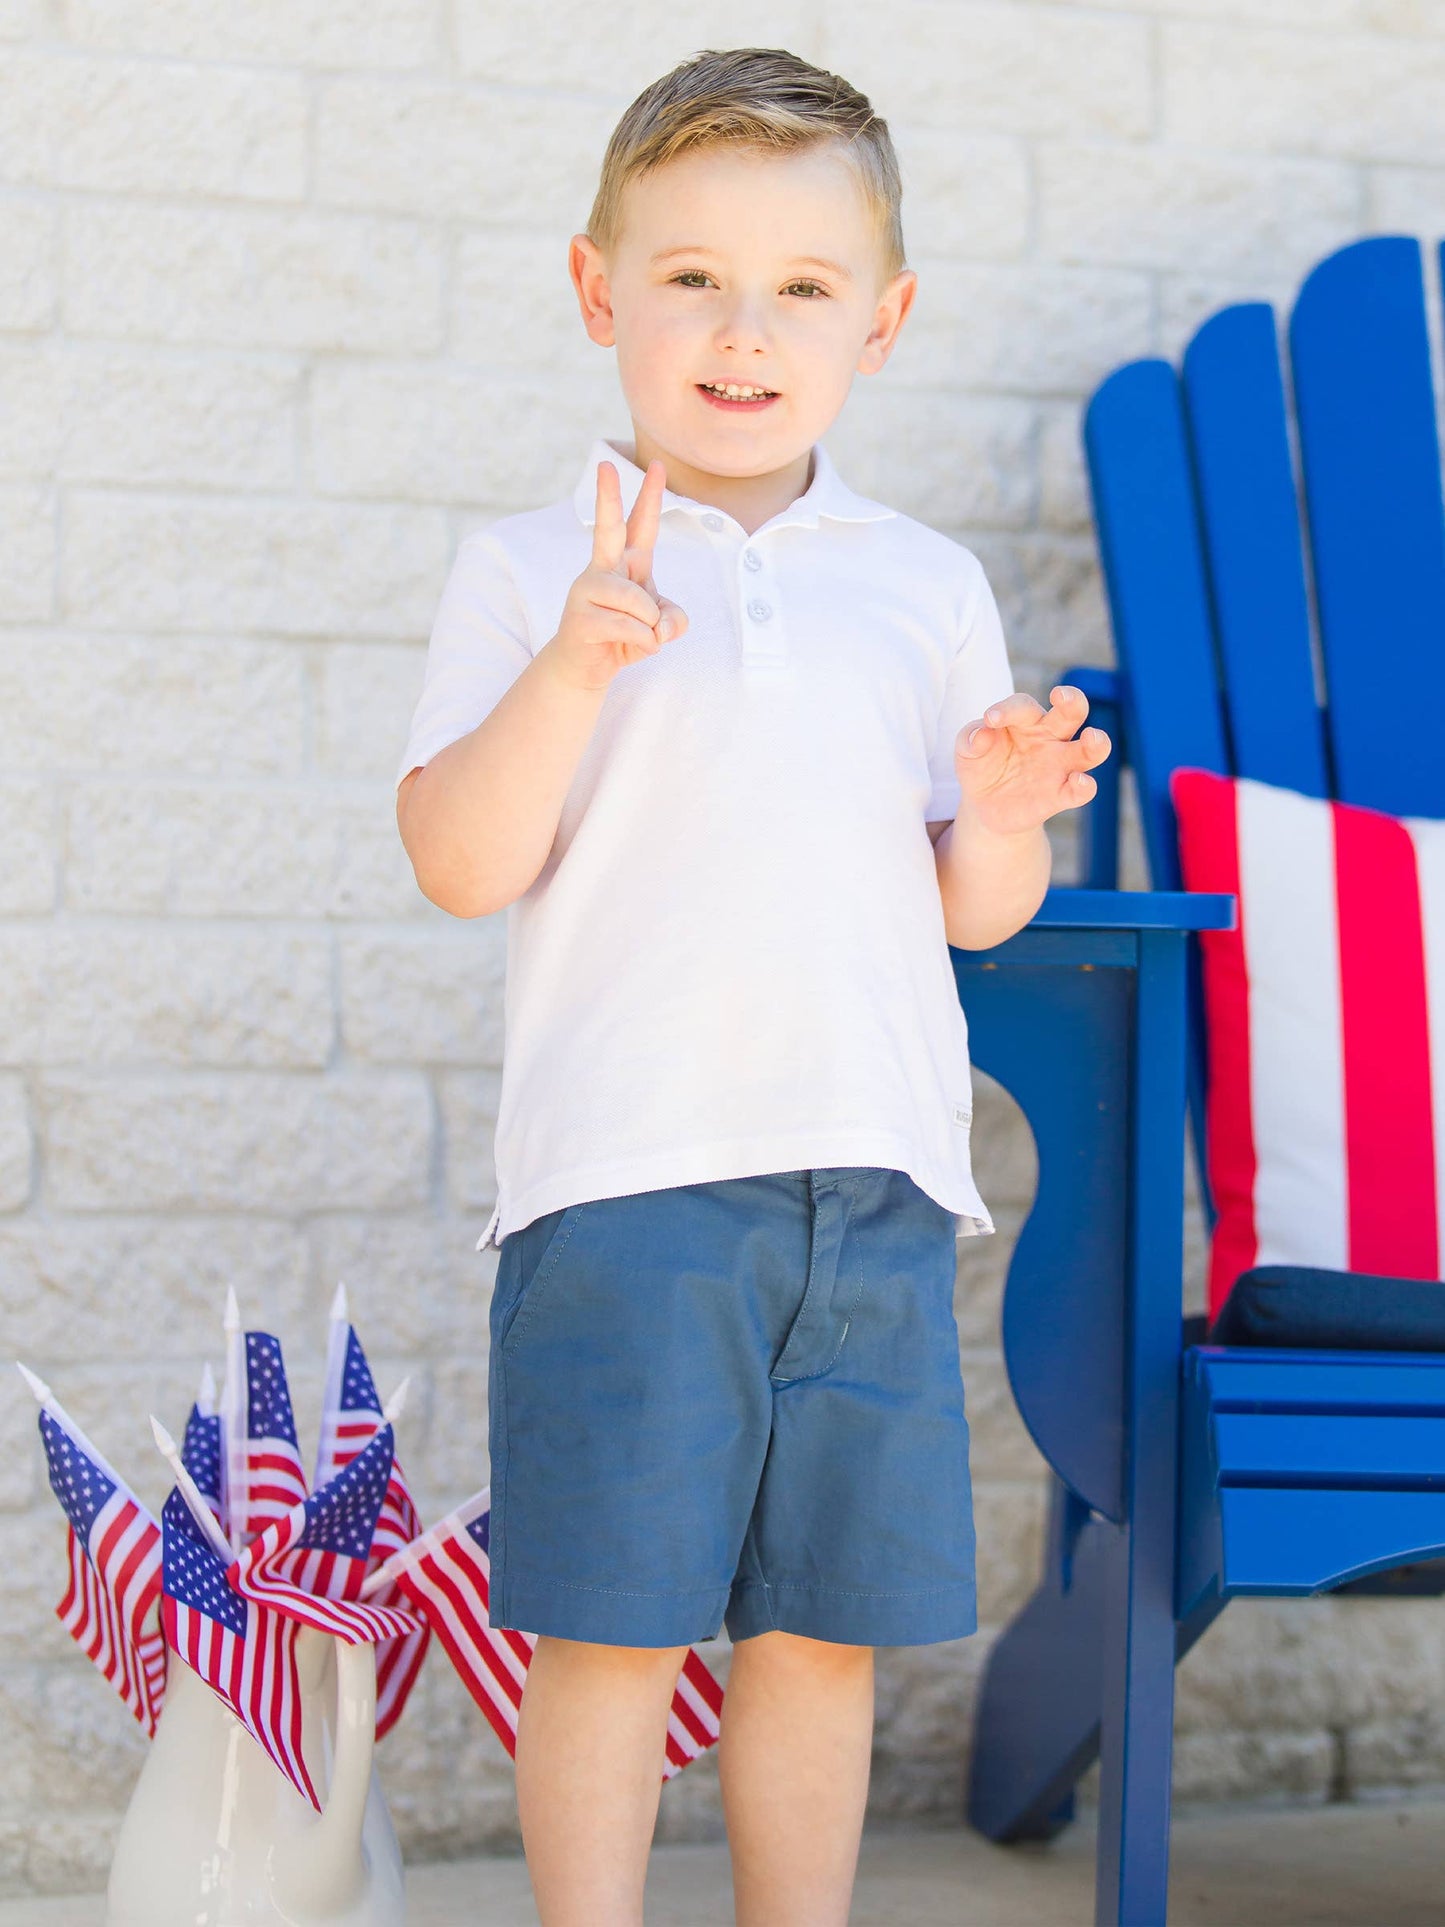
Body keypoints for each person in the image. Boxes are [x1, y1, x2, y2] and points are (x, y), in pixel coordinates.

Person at [394, 45, 1111, 1927]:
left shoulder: (920, 584)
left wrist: (1006, 819)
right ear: (595, 290)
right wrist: (572, 667)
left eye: (800, 285)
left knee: (819, 1628)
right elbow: (459, 861)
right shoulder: (529, 569)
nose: (743, 328)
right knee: (612, 1625)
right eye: (691, 275)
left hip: (872, 1185)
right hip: (630, 1181)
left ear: (880, 321)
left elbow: (969, 915)